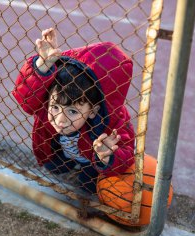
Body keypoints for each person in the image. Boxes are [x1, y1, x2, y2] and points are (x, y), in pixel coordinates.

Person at [12, 28, 135, 194]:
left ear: (93, 111)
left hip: (90, 159)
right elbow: (25, 97)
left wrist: (107, 156)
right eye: (55, 107)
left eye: (72, 112)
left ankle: (85, 168)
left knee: (88, 186)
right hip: (58, 151)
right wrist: (43, 65)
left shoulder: (113, 122)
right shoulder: (48, 99)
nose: (60, 120)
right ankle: (68, 162)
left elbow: (128, 154)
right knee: (53, 166)